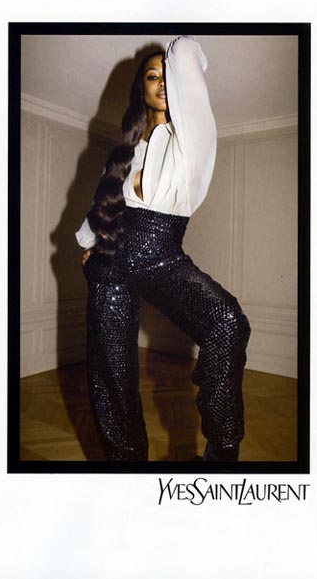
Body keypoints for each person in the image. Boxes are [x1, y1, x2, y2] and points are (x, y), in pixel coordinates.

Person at [76, 35, 251, 462]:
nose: (163, 83)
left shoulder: (191, 137)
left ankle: (222, 448)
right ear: (141, 89)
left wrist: (174, 57)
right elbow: (102, 205)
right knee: (111, 374)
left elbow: (185, 56)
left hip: (162, 257)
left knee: (227, 321)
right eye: (152, 76)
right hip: (109, 265)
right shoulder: (124, 152)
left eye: (168, 75)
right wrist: (89, 244)